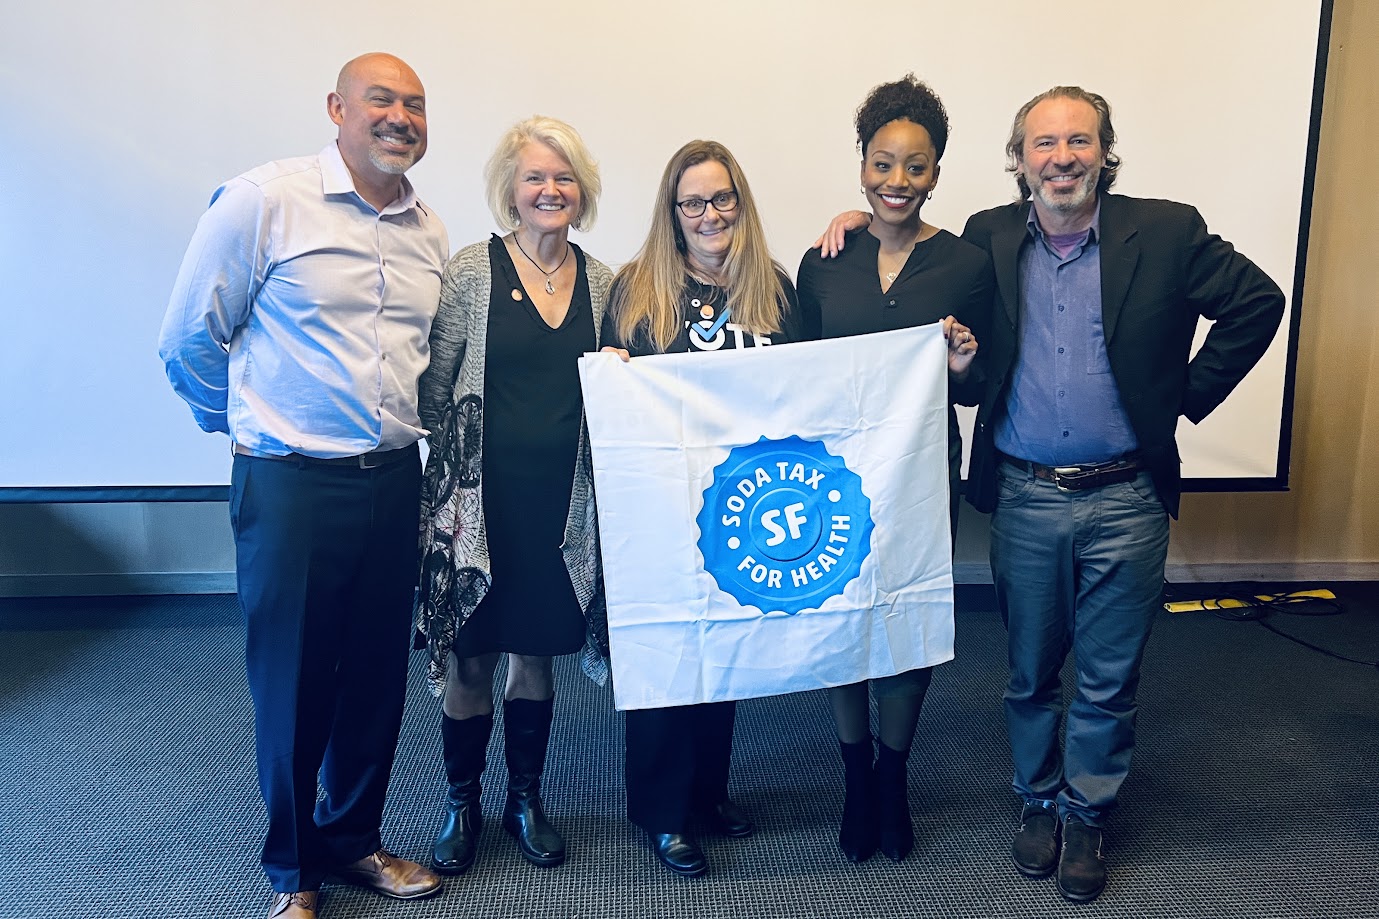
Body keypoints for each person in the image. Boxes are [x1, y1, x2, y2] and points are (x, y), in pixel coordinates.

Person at [959, 87, 1284, 903]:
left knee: (1108, 677)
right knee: (1029, 671)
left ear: (1104, 150)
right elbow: (942, 330)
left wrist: (1182, 392)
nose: (1060, 156)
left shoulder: (1166, 230)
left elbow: (1256, 303)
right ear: (1018, 156)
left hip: (1125, 499)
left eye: (1078, 140)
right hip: (1027, 498)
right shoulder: (988, 237)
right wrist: (861, 226)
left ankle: (1087, 812)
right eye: (1042, 142)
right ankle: (1036, 801)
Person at [158, 53, 447, 919]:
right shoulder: (265, 200)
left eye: (416, 106)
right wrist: (245, 430)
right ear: (336, 108)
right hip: (289, 483)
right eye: (381, 100)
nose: (400, 117)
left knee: (372, 676)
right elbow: (188, 339)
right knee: (290, 679)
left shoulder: (428, 228)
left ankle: (354, 837)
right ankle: (294, 872)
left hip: (393, 478)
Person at [600, 139, 812, 877]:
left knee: (723, 651)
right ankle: (662, 813)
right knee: (666, 654)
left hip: (742, 508)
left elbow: (809, 390)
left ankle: (707, 794)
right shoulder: (635, 291)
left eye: (722, 198)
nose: (710, 213)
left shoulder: (776, 291)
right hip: (659, 509)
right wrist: (616, 375)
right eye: (693, 201)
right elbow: (607, 397)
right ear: (673, 212)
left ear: (740, 204)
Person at [414, 116, 613, 877]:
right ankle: (461, 801)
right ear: (511, 190)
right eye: (534, 177)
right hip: (479, 513)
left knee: (536, 657)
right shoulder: (472, 270)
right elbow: (434, 393)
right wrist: (462, 478)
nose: (549, 190)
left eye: (563, 178)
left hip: (560, 512)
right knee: (470, 659)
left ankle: (525, 798)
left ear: (581, 191)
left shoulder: (604, 281)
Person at [796, 75, 987, 864]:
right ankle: (853, 776)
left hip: (918, 475)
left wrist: (965, 363)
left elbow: (979, 381)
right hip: (837, 476)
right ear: (861, 165)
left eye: (915, 166)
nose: (896, 181)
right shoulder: (822, 261)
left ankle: (893, 776)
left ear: (937, 171)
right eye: (882, 164)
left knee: (905, 625)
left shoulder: (967, 263)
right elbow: (795, 372)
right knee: (843, 620)